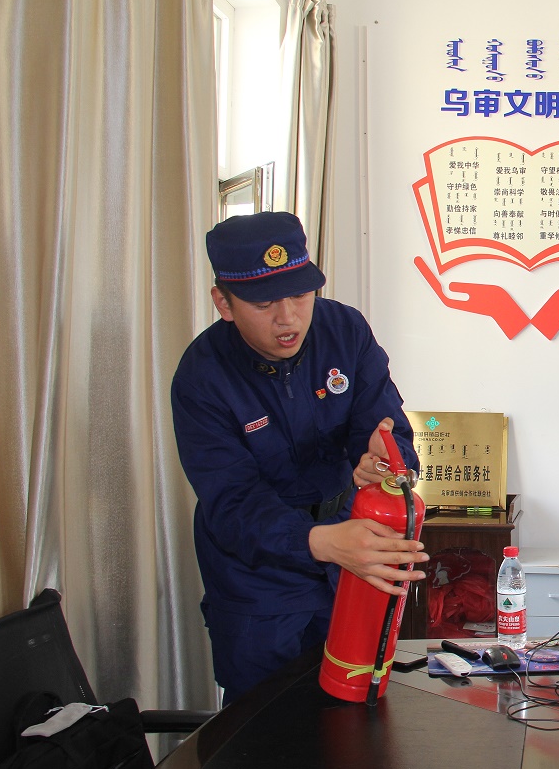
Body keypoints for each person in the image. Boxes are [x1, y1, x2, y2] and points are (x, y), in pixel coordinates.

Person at [171, 211, 426, 704]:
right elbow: (232, 502)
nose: (287, 318)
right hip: (257, 574)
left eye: (300, 295)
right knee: (263, 721)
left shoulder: (344, 330)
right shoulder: (202, 377)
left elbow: (384, 421)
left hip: (349, 549)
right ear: (224, 303)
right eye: (263, 303)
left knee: (356, 704)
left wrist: (384, 457)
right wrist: (318, 541)